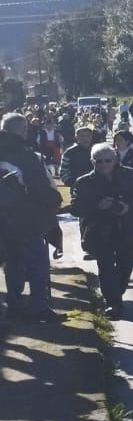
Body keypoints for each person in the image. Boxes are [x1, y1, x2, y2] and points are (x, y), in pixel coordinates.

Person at [69, 143, 133, 319]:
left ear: (115, 160)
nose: (103, 165)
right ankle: (113, 303)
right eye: (98, 161)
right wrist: (97, 206)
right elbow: (76, 208)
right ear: (92, 161)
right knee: (106, 267)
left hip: (127, 227)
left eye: (107, 160)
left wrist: (128, 206)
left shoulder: (129, 174)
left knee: (125, 265)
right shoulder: (83, 182)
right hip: (99, 230)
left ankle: (116, 294)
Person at [1, 112, 63, 322]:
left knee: (13, 262)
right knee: (37, 263)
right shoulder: (24, 154)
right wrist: (55, 199)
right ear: (23, 130)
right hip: (26, 218)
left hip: (4, 218)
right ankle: (38, 307)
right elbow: (39, 188)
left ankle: (14, 305)